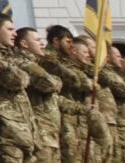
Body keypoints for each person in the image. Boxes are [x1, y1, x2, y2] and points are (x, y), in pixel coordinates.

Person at [0, 13, 35, 161]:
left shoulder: (7, 54)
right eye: (9, 29)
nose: (15, 34)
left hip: (20, 132)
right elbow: (15, 79)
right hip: (3, 132)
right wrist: (25, 75)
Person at [37, 26, 92, 163]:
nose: (71, 45)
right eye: (68, 41)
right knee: (69, 156)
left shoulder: (63, 59)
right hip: (59, 114)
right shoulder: (48, 58)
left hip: (70, 112)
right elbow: (76, 80)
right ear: (56, 40)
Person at [13, 27, 62, 163]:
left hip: (49, 132)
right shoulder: (24, 63)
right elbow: (50, 83)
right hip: (40, 133)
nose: (42, 43)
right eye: (37, 40)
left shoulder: (36, 63)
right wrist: (57, 81)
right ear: (24, 44)